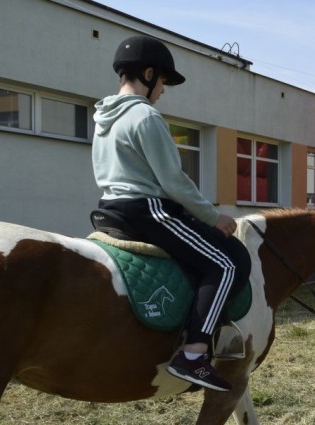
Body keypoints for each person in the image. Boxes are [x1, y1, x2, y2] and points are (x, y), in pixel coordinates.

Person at [92, 36, 250, 392]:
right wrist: (213, 217)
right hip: (147, 210)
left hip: (110, 208)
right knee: (227, 262)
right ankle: (193, 356)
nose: (162, 90)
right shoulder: (145, 116)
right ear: (148, 74)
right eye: (162, 81)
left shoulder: (103, 117)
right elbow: (174, 182)